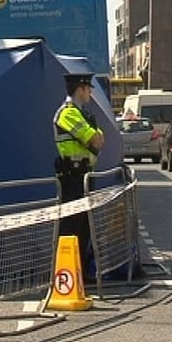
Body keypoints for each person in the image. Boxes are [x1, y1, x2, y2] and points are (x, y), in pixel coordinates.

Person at [53, 72, 105, 276]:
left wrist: (95, 136)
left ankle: (79, 274)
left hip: (83, 176)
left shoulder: (81, 113)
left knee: (83, 227)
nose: (90, 92)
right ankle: (68, 274)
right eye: (88, 88)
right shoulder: (68, 113)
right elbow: (97, 140)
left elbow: (98, 140)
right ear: (80, 89)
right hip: (72, 178)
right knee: (71, 227)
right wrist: (95, 135)